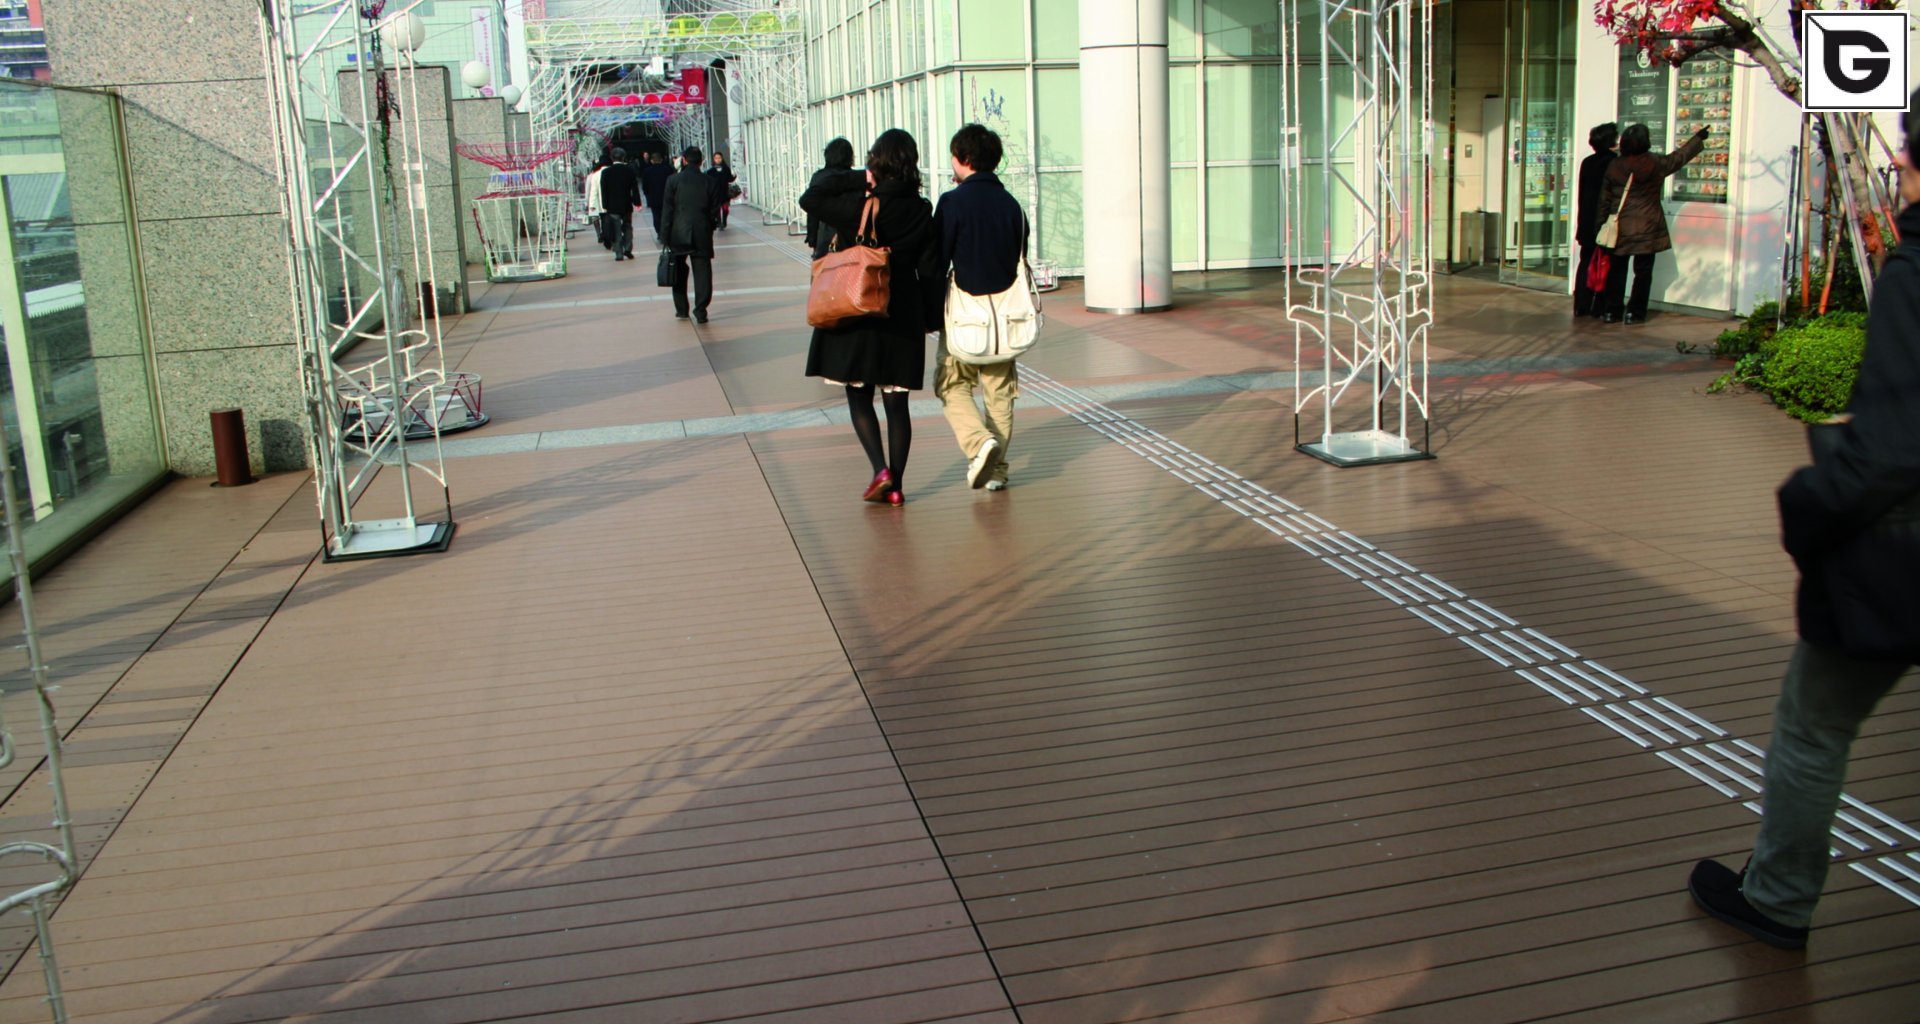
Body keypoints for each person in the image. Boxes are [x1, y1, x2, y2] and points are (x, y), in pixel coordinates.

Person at [1687, 90, 1920, 951]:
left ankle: (1778, 897)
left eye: (1909, 149)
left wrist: (1807, 504)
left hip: (1898, 553)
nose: (1898, 163)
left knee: (1814, 725)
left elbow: (1896, 445)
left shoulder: (1917, 270)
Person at [800, 128, 939, 507]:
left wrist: (859, 176)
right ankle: (896, 487)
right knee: (897, 403)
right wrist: (930, 318)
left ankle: (880, 469)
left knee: (858, 393)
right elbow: (930, 270)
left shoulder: (861, 205)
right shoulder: (922, 210)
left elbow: (810, 197)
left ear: (876, 163)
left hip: (860, 307)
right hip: (903, 312)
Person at [931, 123, 1029, 491]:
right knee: (1000, 394)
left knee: (951, 384)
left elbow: (938, 260)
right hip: (1007, 318)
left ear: (964, 159)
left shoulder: (952, 203)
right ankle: (998, 471)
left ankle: (978, 442)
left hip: (964, 316)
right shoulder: (1013, 206)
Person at [1596, 122, 1708, 324]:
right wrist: (1698, 138)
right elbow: (1679, 158)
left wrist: (1599, 225)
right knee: (1643, 272)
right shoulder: (1654, 163)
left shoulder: (1615, 165)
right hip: (1648, 226)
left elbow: (1604, 199)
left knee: (1617, 270)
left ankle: (1612, 311)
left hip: (1620, 227)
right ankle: (1635, 313)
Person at [660, 146, 721, 323]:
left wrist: (665, 235)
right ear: (701, 161)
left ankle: (681, 309)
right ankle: (701, 310)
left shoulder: (673, 180)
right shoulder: (709, 181)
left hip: (678, 232)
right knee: (702, 272)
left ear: (684, 160)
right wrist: (709, 225)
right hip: (702, 231)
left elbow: (668, 210)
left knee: (678, 271)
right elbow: (714, 209)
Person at [1573, 122, 1618, 318]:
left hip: (1586, 219)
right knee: (1605, 263)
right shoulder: (1613, 162)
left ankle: (1581, 304)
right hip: (1604, 221)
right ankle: (1599, 306)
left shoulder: (1587, 162)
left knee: (1585, 262)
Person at [806, 137, 856, 260]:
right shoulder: (855, 178)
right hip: (851, 237)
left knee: (826, 274)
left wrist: (812, 237)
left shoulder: (819, 177)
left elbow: (812, 211)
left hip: (825, 235)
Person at [597, 148, 640, 261]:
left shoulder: (606, 172)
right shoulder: (629, 170)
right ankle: (628, 248)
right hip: (626, 204)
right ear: (623, 157)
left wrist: (605, 205)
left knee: (615, 229)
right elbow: (634, 188)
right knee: (627, 226)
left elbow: (603, 190)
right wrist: (637, 202)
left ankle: (618, 253)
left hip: (612, 206)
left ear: (612, 158)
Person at [640, 150, 674, 243]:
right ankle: (667, 233)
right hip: (667, 197)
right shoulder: (669, 169)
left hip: (654, 198)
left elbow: (645, 186)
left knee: (656, 216)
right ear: (661, 160)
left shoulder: (647, 171)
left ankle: (659, 233)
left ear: (651, 161)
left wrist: (647, 195)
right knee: (667, 216)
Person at [707, 150, 738, 230]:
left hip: (724, 192)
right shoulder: (710, 171)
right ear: (713, 159)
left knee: (725, 208)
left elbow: (729, 179)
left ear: (722, 158)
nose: (718, 159)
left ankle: (724, 221)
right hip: (715, 193)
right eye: (716, 158)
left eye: (719, 158)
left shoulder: (726, 169)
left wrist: (734, 177)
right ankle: (719, 222)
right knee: (717, 209)